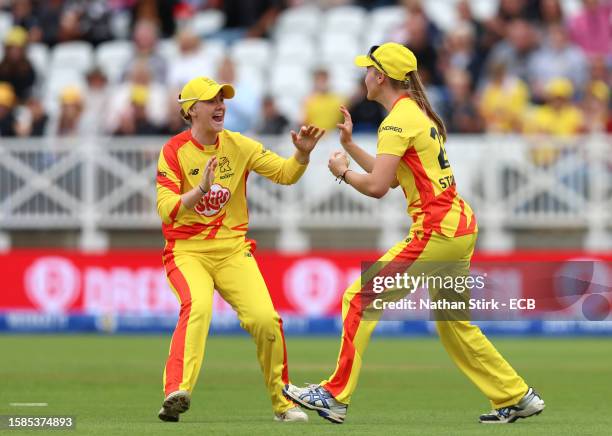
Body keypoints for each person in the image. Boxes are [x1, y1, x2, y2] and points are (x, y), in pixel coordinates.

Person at [283, 43, 545, 425]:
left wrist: (340, 170)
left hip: (437, 229)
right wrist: (351, 147)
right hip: (458, 225)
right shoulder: (413, 113)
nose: (364, 76)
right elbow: (390, 179)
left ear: (381, 77)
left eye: (367, 69)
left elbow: (376, 187)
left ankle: (334, 394)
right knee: (454, 323)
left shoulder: (396, 121)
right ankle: (517, 396)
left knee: (359, 298)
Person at [155, 76, 325, 423]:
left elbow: (285, 174)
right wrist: (200, 189)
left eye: (222, 98)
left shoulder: (240, 145)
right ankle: (177, 390)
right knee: (198, 306)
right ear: (190, 110)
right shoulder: (173, 150)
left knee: (266, 320)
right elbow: (166, 208)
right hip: (186, 251)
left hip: (233, 250)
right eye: (211, 100)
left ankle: (283, 404)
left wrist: (302, 155)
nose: (220, 105)